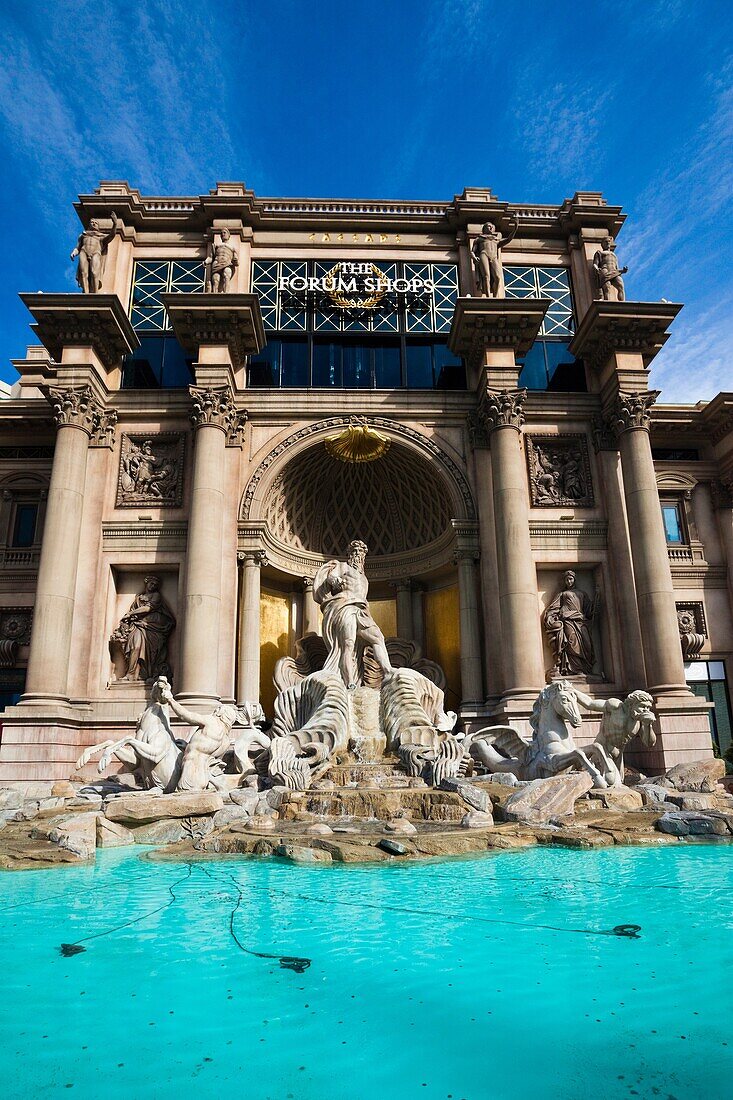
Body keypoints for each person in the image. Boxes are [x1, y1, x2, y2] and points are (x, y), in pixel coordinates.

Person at [312, 539, 392, 689]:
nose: (357, 555)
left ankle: (388, 672)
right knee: (348, 644)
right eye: (354, 552)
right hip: (345, 607)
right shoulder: (343, 566)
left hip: (361, 610)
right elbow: (331, 576)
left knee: (378, 637)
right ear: (349, 554)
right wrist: (335, 580)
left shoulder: (364, 578)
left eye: (360, 552)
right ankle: (350, 683)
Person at [114, 575, 176, 681]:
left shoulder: (156, 596)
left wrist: (130, 613)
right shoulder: (138, 597)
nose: (153, 586)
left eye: (155, 585)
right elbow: (135, 611)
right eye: (151, 583)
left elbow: (148, 608)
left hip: (153, 627)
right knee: (135, 647)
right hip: (138, 626)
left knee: (150, 653)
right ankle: (131, 674)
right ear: (146, 583)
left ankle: (146, 675)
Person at [543, 570, 597, 676]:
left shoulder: (582, 594)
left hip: (581, 622)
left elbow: (588, 610)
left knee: (587, 644)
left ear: (574, 580)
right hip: (568, 621)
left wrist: (595, 605)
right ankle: (575, 670)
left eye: (571, 579)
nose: (569, 581)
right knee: (572, 643)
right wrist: (551, 617)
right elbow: (553, 608)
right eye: (567, 579)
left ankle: (585, 669)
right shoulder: (562, 594)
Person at [70, 212, 119, 293]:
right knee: (83, 273)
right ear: (89, 225)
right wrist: (74, 253)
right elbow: (77, 247)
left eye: (96, 223)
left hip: (96, 253)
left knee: (94, 272)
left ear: (98, 226)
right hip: (83, 252)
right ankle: (86, 292)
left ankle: (95, 293)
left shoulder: (101, 236)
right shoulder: (83, 235)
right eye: (92, 222)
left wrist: (115, 224)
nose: (94, 223)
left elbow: (111, 236)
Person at [471, 219, 517, 298]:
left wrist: (515, 228)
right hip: (484, 254)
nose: (490, 228)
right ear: (484, 228)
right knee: (486, 276)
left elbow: (508, 239)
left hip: (493, 257)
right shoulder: (479, 238)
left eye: (491, 227)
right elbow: (472, 251)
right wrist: (474, 258)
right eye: (488, 226)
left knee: (498, 277)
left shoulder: (496, 239)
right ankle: (488, 296)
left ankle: (495, 297)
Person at [593, 235, 628, 302]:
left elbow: (617, 266)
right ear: (602, 244)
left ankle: (622, 302)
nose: (608, 243)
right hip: (605, 270)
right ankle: (607, 301)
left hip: (615, 271)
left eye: (609, 242)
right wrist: (596, 268)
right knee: (607, 288)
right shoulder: (600, 253)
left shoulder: (613, 255)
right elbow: (595, 263)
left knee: (621, 286)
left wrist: (623, 270)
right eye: (606, 242)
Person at [205, 227, 239, 292]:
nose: (223, 234)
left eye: (224, 232)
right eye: (221, 233)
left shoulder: (232, 248)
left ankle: (226, 293)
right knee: (216, 279)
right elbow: (211, 257)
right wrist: (206, 262)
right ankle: (215, 294)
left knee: (227, 275)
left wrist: (235, 261)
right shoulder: (216, 245)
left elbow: (237, 262)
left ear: (229, 235)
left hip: (227, 263)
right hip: (216, 263)